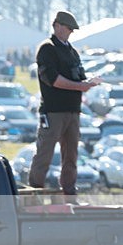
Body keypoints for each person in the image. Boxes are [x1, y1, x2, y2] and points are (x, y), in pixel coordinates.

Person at [28, 11, 102, 199]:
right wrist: (80, 86)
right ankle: (34, 194)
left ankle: (69, 192)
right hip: (53, 111)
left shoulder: (72, 52)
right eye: (68, 28)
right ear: (57, 26)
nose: (70, 32)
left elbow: (78, 76)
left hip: (73, 111)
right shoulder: (47, 49)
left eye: (71, 30)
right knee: (44, 153)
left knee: (71, 156)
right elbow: (53, 79)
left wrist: (89, 82)